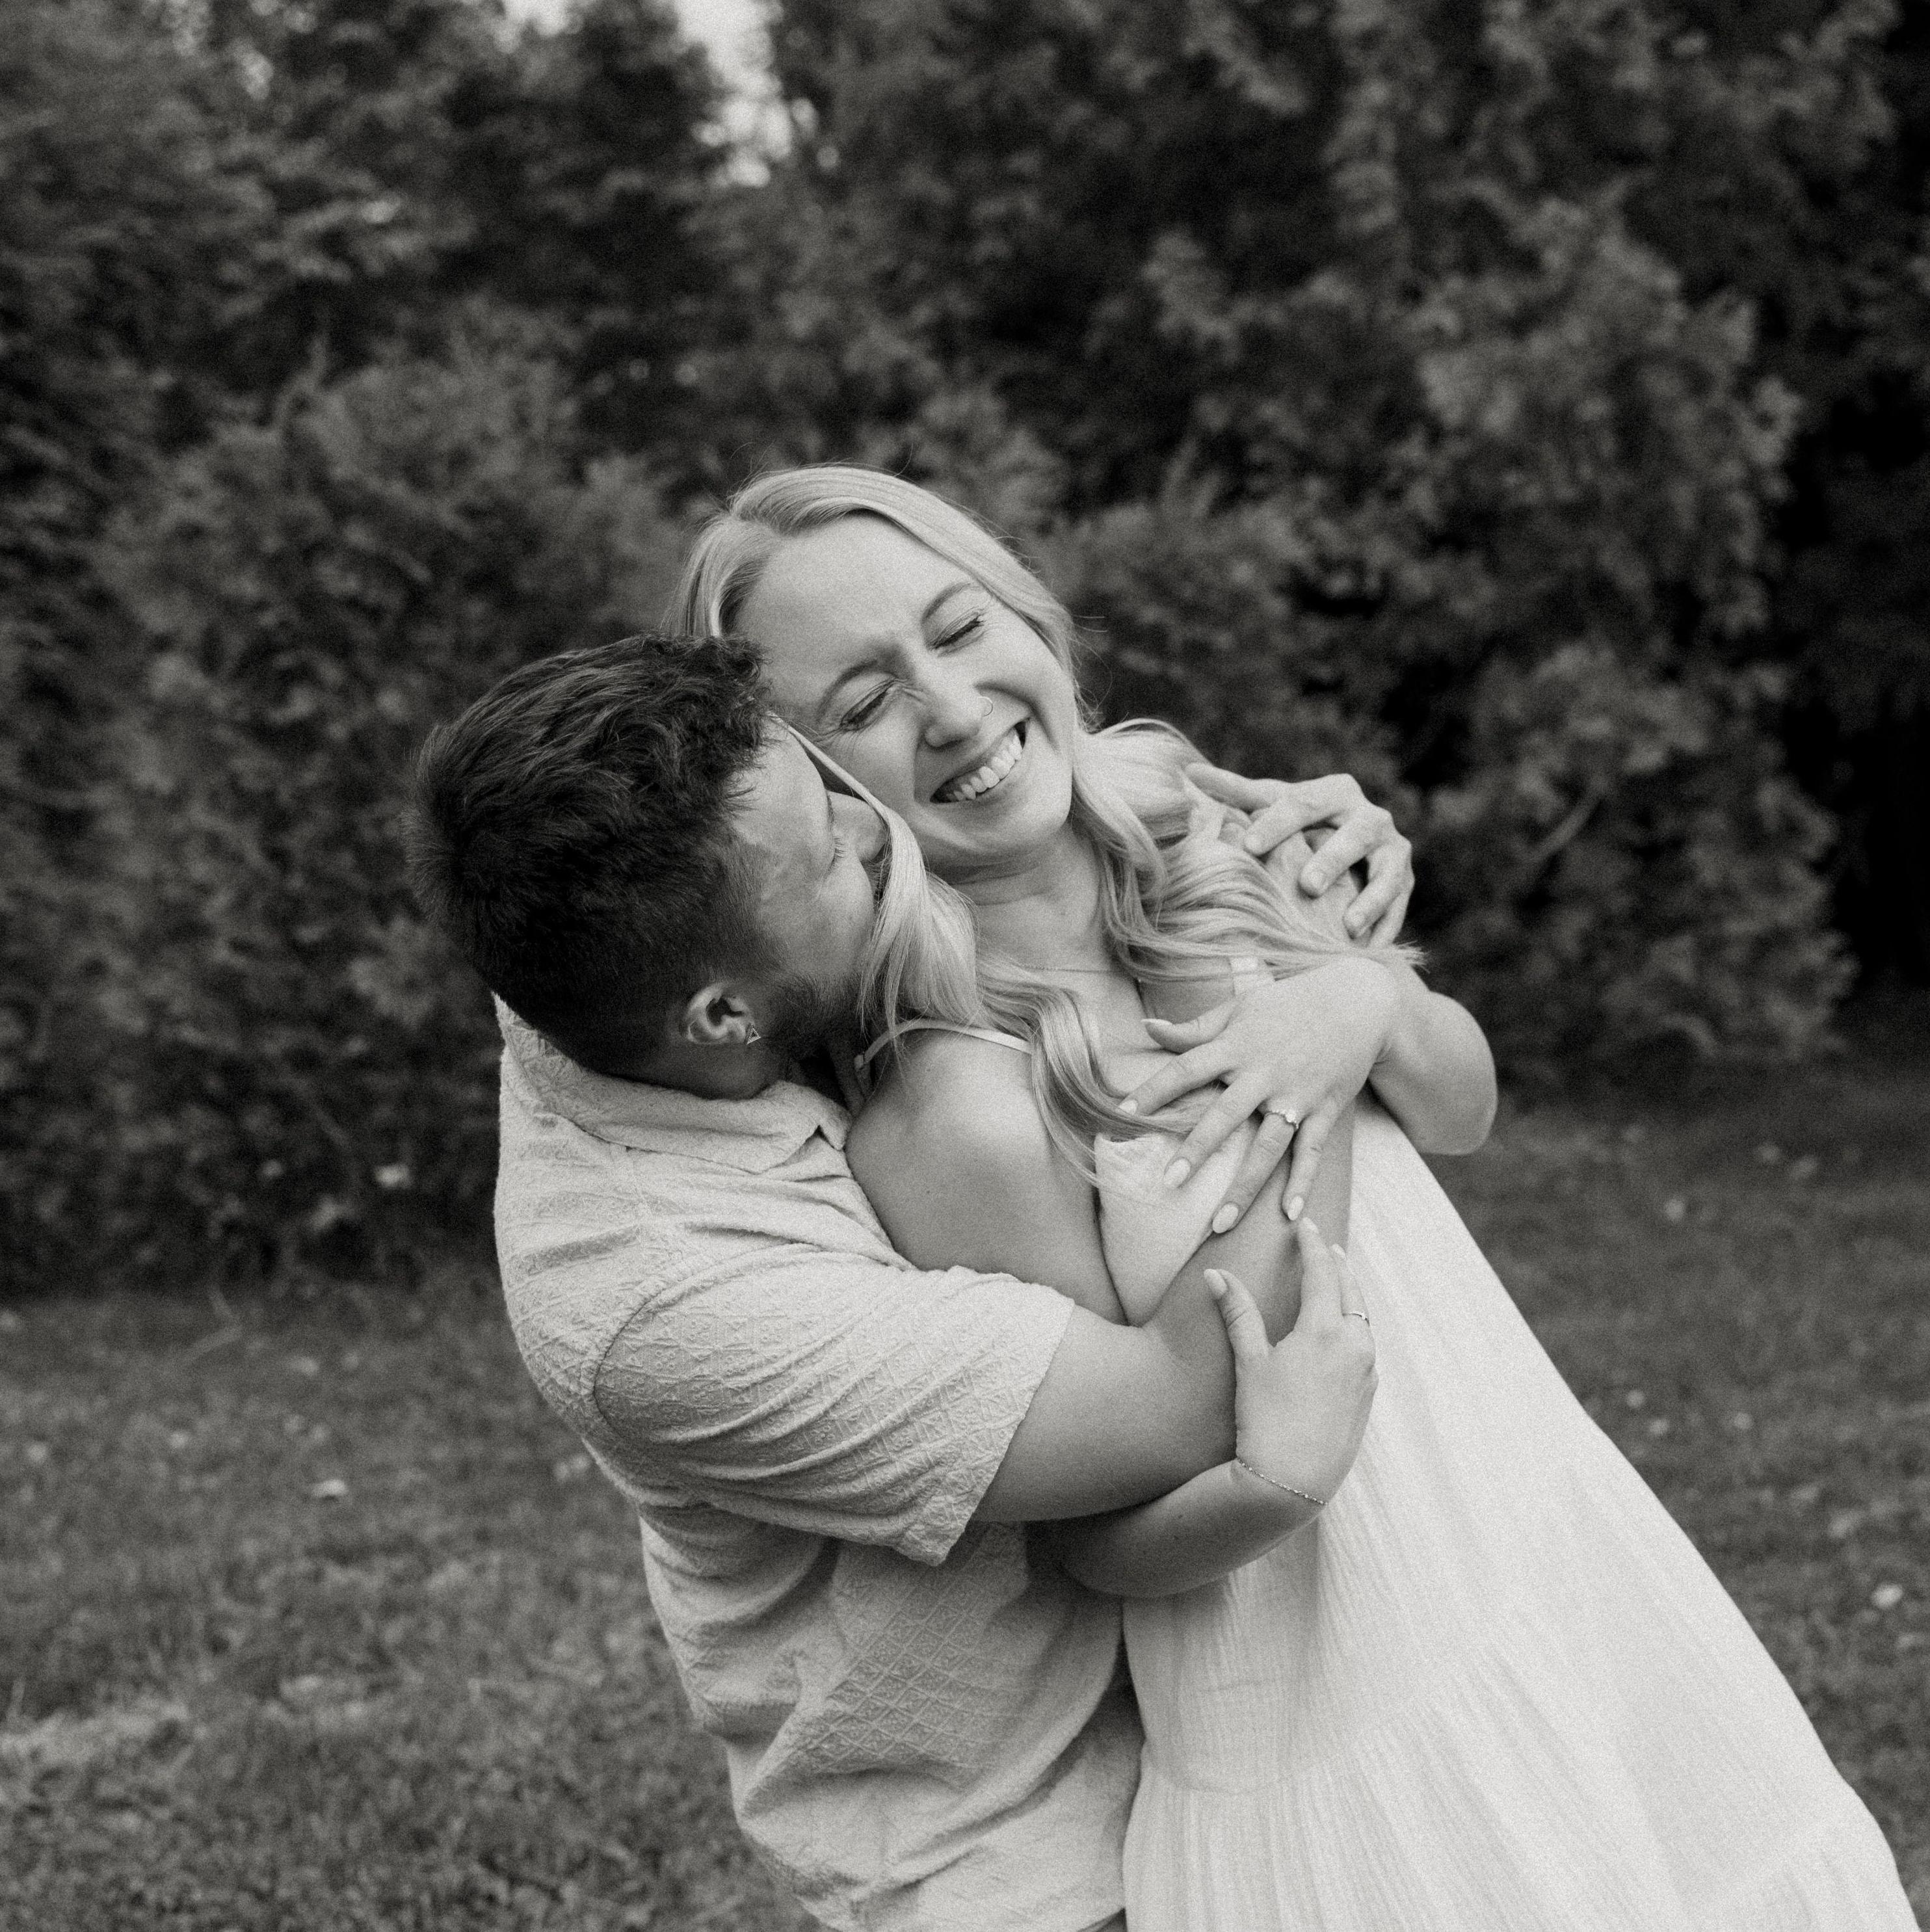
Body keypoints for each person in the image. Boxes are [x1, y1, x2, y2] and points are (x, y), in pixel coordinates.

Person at [670, 464, 1920, 1931]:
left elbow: (1459, 1105)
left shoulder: (1195, 820)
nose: (949, 707)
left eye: (958, 628)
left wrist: (1357, 1005)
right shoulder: (955, 1106)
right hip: (1325, 1681)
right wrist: (1278, 1482)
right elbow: (1095, 1537)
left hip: (1529, 1537)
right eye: (866, 701)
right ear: (807, 794)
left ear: (1028, 616)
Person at [407, 633, 1406, 1932]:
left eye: (821, 781)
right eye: (827, 852)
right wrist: (1296, 991)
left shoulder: (607, 910)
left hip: (1207, 1704)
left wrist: (1212, 822)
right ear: (721, 1019)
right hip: (1016, 1841)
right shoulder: (670, 1302)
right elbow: (1199, 1387)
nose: (872, 828)